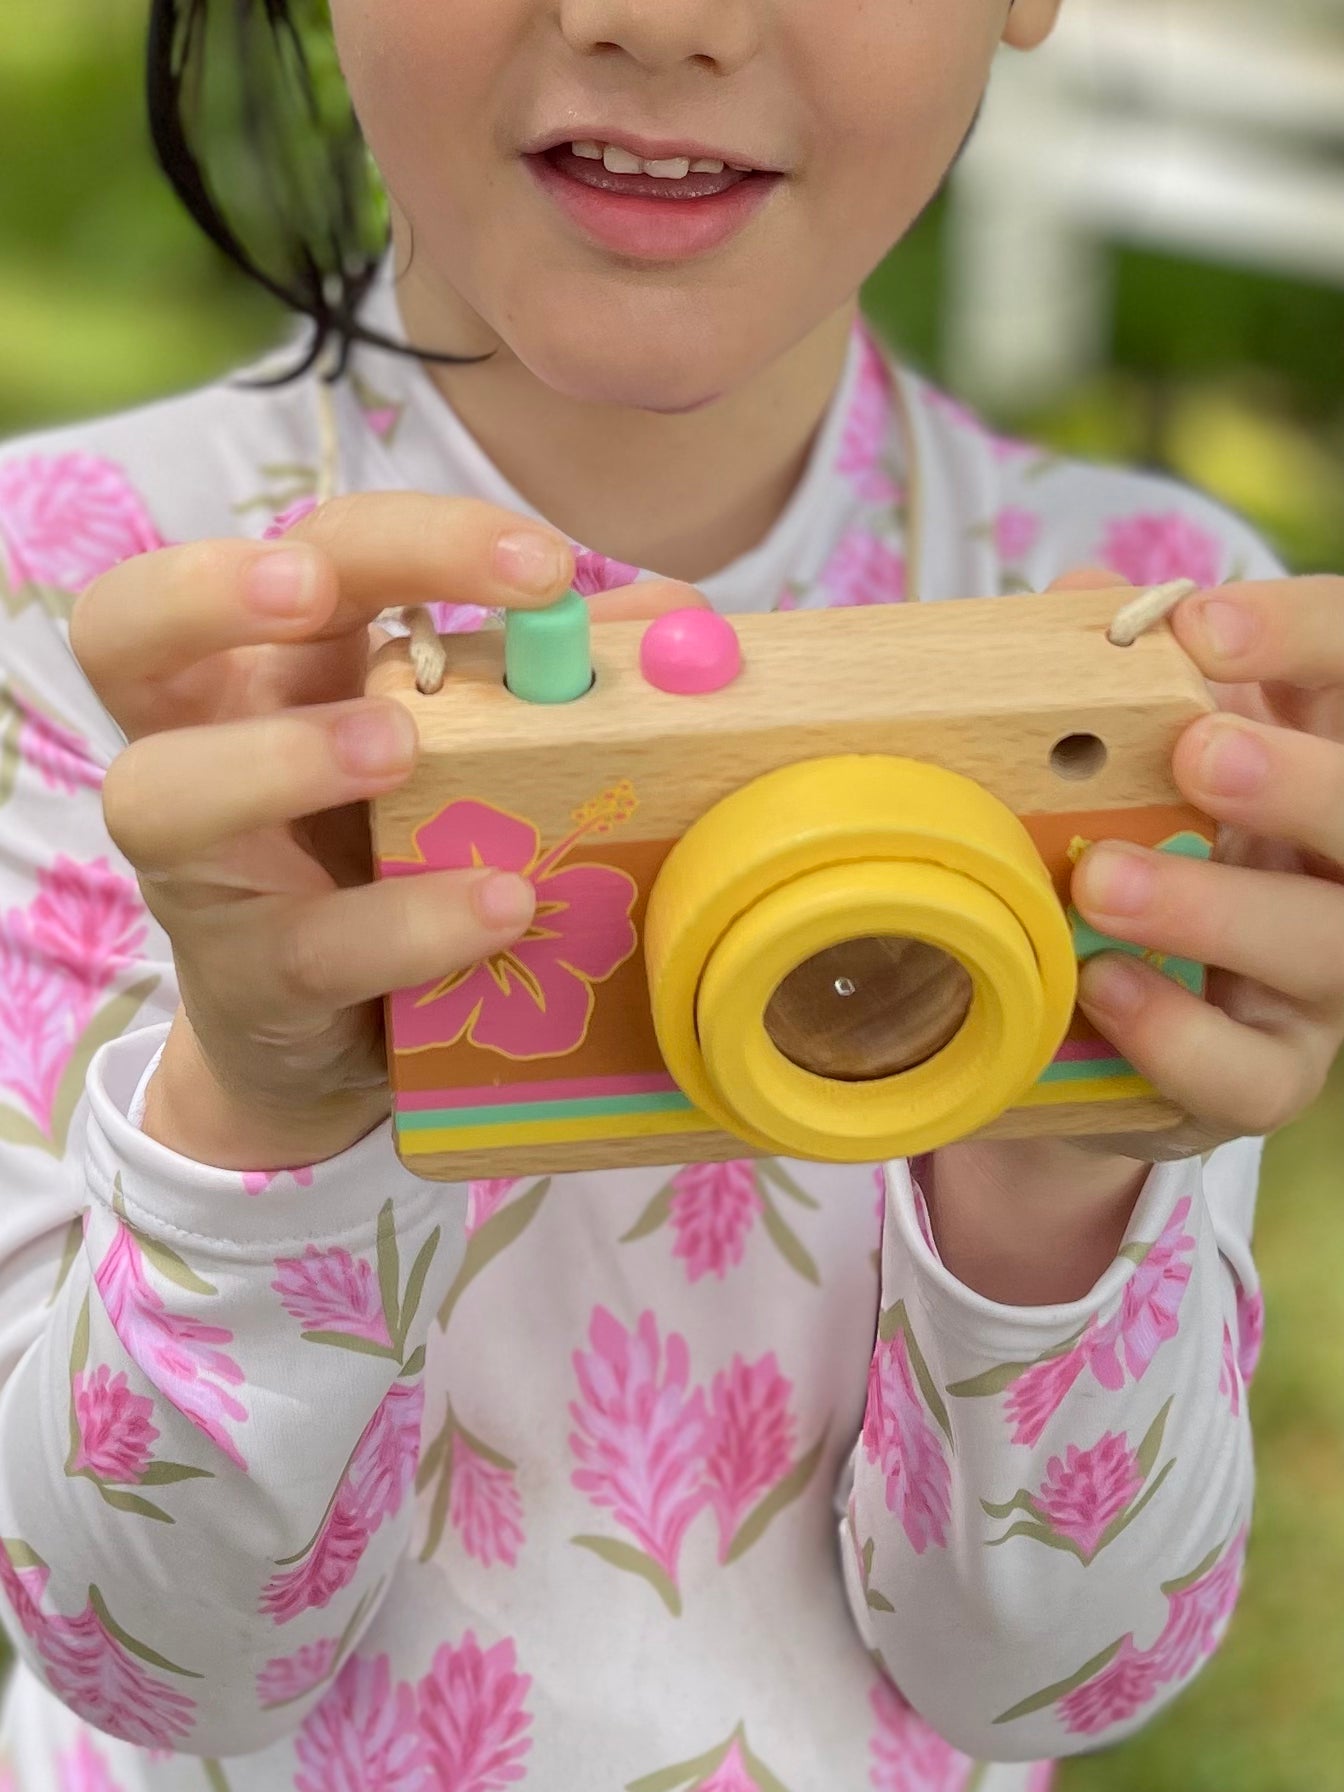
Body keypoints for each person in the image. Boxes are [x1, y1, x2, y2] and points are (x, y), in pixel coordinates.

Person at [1, 0, 1341, 1786]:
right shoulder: (81, 611)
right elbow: (148, 1663)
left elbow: (1047, 1685)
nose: (663, 15)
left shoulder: (1147, 625)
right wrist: (260, 1114)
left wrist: (1057, 1168)